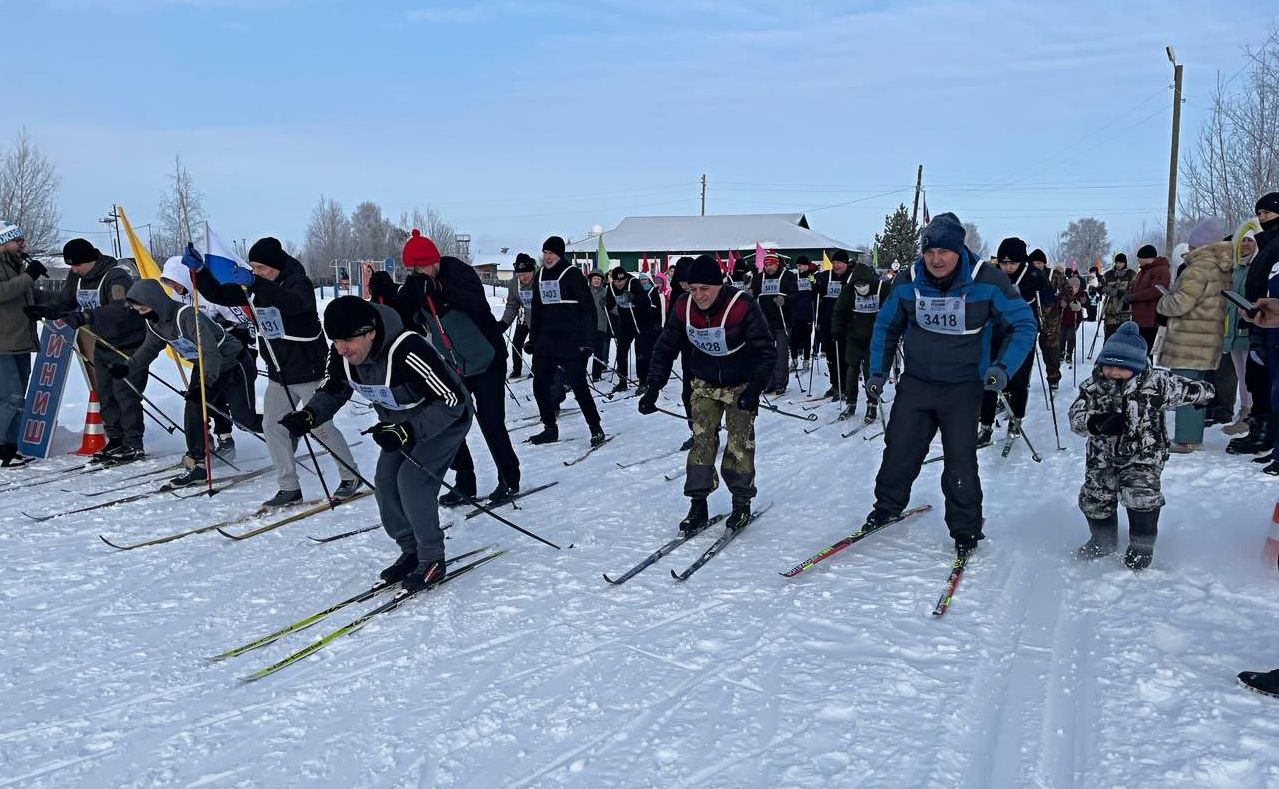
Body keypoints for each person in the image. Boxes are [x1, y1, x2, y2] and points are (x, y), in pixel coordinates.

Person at [861, 212, 1037, 556]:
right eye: (929, 252)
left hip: (963, 385)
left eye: (944, 251)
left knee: (960, 460)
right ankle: (887, 507)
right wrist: (878, 372)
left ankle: (966, 528)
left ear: (959, 250)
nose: (936, 259)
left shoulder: (987, 280)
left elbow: (1024, 325)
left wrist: (1003, 367)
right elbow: (886, 326)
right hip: (917, 381)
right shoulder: (908, 281)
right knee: (899, 448)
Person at [281, 297, 471, 592]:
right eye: (335, 340)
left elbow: (452, 401)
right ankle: (411, 551)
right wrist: (310, 414)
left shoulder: (408, 349)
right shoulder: (343, 355)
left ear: (370, 331)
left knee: (412, 481)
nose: (341, 348)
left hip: (443, 420)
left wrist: (407, 430)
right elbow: (333, 388)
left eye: (347, 339)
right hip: (398, 423)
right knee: (385, 482)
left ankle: (432, 558)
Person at [188, 237, 362, 507]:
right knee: (272, 426)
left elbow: (296, 304)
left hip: (308, 369)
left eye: (262, 268)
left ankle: (349, 475)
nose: (257, 273)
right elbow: (220, 295)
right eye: (253, 268)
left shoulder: (298, 282)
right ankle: (289, 487)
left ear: (276, 266)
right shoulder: (255, 287)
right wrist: (201, 274)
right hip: (279, 373)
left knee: (319, 425)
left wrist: (257, 283)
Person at [637, 255, 775, 532]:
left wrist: (754, 388)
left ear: (719, 285)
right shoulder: (683, 306)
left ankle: (741, 502)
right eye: (693, 289)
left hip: (740, 383)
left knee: (739, 443)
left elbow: (766, 352)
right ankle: (698, 504)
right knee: (702, 441)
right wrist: (653, 388)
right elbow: (665, 348)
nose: (698, 296)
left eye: (705, 289)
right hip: (703, 382)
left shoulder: (741, 306)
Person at [1068, 321, 1214, 570]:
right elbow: (1076, 417)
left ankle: (1141, 546)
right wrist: (1095, 423)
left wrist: (1206, 393)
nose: (1112, 371)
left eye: (1121, 367)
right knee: (1095, 498)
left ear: (1136, 366)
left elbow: (1188, 388)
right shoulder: (1092, 387)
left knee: (1142, 497)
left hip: (1144, 456)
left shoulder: (1157, 384)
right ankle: (1102, 540)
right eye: (1108, 365)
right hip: (1101, 456)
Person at [393, 229, 520, 504]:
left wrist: (440, 291)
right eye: (413, 269)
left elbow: (475, 303)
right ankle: (465, 482)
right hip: (453, 367)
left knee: (491, 423)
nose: (419, 273)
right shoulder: (416, 285)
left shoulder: (458, 272)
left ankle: (509, 478)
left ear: (435, 260)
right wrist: (389, 297)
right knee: (452, 424)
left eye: (422, 266)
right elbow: (403, 316)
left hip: (487, 360)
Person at [112, 280, 261, 486]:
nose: (141, 313)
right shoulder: (155, 324)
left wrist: (204, 384)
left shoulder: (187, 316)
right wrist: (128, 368)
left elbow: (210, 351)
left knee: (245, 420)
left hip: (233, 363)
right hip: (205, 365)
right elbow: (148, 349)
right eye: (137, 310)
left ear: (155, 302)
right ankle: (198, 463)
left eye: (143, 308)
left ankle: (283, 429)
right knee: (193, 408)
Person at [28, 239, 148, 463]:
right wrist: (46, 310)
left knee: (125, 395)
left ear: (90, 260)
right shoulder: (77, 277)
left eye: (77, 265)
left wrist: (87, 316)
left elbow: (121, 308)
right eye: (71, 266)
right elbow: (67, 300)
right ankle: (115, 439)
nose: (73, 270)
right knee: (105, 393)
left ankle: (133, 443)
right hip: (103, 343)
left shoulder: (115, 276)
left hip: (128, 345)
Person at [160, 255, 251, 461]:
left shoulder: (208, 295)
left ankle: (225, 438)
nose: (172, 286)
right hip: (201, 356)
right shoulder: (176, 298)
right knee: (196, 399)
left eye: (174, 281)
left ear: (185, 276)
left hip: (227, 355)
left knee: (221, 401)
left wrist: (225, 327)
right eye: (167, 282)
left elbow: (242, 323)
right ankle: (201, 444)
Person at [1155, 219, 1232, 453]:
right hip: (1208, 338)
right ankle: (1193, 436)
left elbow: (1181, 303)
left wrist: (1163, 301)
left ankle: (1186, 439)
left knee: (1184, 389)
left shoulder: (1197, 269)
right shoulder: (1221, 267)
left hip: (1189, 339)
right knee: (1199, 389)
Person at [526, 235, 604, 446]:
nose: (547, 257)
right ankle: (550, 427)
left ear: (560, 254)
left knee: (578, 385)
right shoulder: (540, 275)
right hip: (546, 339)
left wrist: (588, 341)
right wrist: (532, 339)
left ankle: (595, 427)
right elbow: (537, 311)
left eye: (551, 253)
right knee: (539, 384)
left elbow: (588, 310)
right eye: (545, 253)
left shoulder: (573, 274)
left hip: (571, 339)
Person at [976, 238, 1052, 447]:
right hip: (995, 333)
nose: (1007, 267)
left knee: (1019, 381)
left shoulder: (1033, 276)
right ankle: (986, 426)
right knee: (989, 379)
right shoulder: (994, 276)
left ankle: (1015, 420)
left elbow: (1048, 300)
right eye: (1004, 262)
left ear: (1021, 261)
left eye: (1012, 263)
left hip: (1022, 336)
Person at [0, 222, 43, 467]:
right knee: (10, 397)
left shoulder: (15, 266)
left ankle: (10, 446)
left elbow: (23, 295)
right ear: (4, 243)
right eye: (17, 241)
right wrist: (29, 276)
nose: (22, 245)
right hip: (2, 344)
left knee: (17, 398)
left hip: (19, 341)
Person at [830, 251, 891, 422]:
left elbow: (894, 309)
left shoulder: (882, 288)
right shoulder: (849, 290)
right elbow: (839, 311)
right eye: (858, 284)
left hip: (874, 338)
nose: (860, 288)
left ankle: (872, 404)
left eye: (863, 284)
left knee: (870, 372)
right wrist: (836, 329)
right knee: (851, 369)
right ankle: (851, 403)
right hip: (854, 336)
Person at [1223, 223, 1261, 436]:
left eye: (1250, 240)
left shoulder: (1256, 268)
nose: (1245, 244)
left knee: (1250, 375)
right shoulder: (1237, 269)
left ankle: (1251, 413)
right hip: (1234, 330)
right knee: (1240, 374)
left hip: (1249, 328)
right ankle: (1244, 411)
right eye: (1243, 240)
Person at [749, 251, 798, 394]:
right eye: (767, 265)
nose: (769, 268)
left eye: (772, 265)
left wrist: (785, 300)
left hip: (783, 321)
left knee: (781, 353)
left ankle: (780, 382)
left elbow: (795, 294)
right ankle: (768, 382)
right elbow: (753, 294)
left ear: (777, 264)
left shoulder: (788, 276)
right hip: (764, 321)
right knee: (766, 353)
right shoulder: (759, 278)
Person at [605, 267, 658, 393]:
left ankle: (643, 381)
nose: (618, 284)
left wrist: (634, 297)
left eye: (621, 281)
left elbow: (646, 301)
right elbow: (610, 303)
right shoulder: (612, 287)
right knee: (621, 352)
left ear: (625, 278)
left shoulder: (633, 283)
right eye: (616, 281)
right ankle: (622, 380)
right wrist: (606, 303)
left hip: (640, 322)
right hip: (625, 323)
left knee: (640, 352)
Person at [814, 250, 852, 399]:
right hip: (827, 321)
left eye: (839, 263)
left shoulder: (851, 277)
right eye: (834, 262)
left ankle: (845, 386)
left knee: (843, 355)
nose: (836, 265)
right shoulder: (825, 276)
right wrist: (815, 288)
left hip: (845, 323)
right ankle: (834, 384)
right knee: (830, 355)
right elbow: (816, 287)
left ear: (845, 264)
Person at [1124, 244, 1169, 354]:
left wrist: (1134, 297)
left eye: (1140, 257)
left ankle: (1146, 370)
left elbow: (1156, 290)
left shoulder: (1160, 270)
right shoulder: (1143, 271)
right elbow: (1136, 287)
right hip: (1139, 317)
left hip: (1150, 318)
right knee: (1137, 349)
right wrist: (1129, 294)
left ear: (1147, 258)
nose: (1138, 260)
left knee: (1146, 349)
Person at [1028, 248, 1063, 388]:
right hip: (1032, 317)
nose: (1037, 266)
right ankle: (1023, 378)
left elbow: (1066, 291)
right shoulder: (1027, 276)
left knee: (1050, 349)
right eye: (1034, 263)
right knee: (1030, 348)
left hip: (1051, 319)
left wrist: (1060, 301)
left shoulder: (1054, 275)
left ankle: (1053, 377)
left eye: (1040, 263)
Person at [788, 255, 817, 373]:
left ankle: (806, 360)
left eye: (800, 265)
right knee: (793, 338)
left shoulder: (811, 276)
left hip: (808, 312)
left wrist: (814, 284)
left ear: (806, 265)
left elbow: (816, 291)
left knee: (806, 338)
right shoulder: (795, 277)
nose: (799, 268)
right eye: (797, 266)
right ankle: (794, 360)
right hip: (795, 312)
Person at [1101, 253, 1136, 339]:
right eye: (1117, 263)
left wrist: (1119, 292)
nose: (1118, 265)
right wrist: (1105, 289)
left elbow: (1133, 291)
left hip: (1124, 311)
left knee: (1122, 338)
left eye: (1121, 262)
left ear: (1125, 263)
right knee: (1108, 337)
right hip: (1110, 311)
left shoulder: (1131, 274)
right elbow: (1100, 286)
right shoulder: (1108, 274)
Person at [585, 268, 609, 381]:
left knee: (599, 350)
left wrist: (608, 304)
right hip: (587, 325)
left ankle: (596, 375)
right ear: (590, 279)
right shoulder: (585, 291)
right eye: (594, 278)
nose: (596, 281)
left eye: (599, 279)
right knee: (585, 350)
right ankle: (580, 372)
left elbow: (613, 309)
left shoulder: (605, 292)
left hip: (600, 325)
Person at [1059, 273, 1085, 365]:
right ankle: (1061, 353)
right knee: (1061, 338)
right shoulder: (1064, 294)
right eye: (1072, 287)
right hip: (1063, 320)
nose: (1075, 289)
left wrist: (1083, 302)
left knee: (1071, 338)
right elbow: (1058, 302)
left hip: (1074, 321)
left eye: (1077, 287)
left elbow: (1087, 303)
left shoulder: (1081, 294)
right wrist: (1061, 303)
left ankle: (1069, 354)